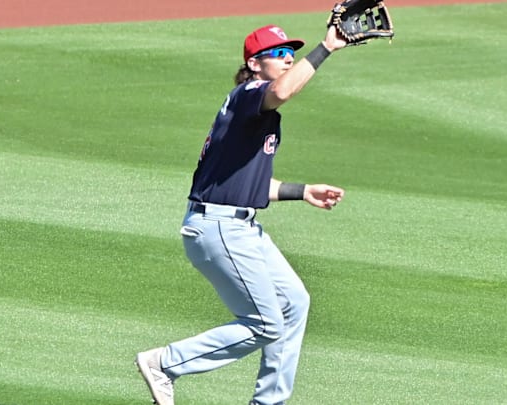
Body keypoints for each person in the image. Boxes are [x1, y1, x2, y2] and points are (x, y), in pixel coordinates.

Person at [135, 23, 348, 405]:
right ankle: (165, 364)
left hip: (237, 223)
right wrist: (327, 47)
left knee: (295, 302)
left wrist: (303, 192)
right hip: (217, 227)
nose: (288, 60)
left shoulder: (257, 116)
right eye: (279, 54)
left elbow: (246, 186)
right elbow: (283, 90)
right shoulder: (250, 93)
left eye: (291, 53)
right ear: (254, 63)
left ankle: (268, 402)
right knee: (266, 323)